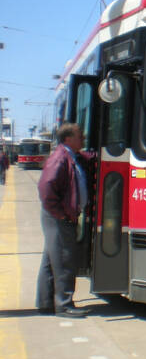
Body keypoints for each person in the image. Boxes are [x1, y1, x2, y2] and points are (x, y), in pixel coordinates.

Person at [36, 124, 91, 318]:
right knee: (65, 259)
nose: (83, 139)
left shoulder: (68, 155)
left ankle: (45, 303)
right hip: (58, 217)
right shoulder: (60, 157)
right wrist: (60, 213)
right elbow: (46, 188)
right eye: (79, 136)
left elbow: (85, 158)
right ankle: (64, 305)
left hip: (57, 216)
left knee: (51, 259)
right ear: (68, 139)